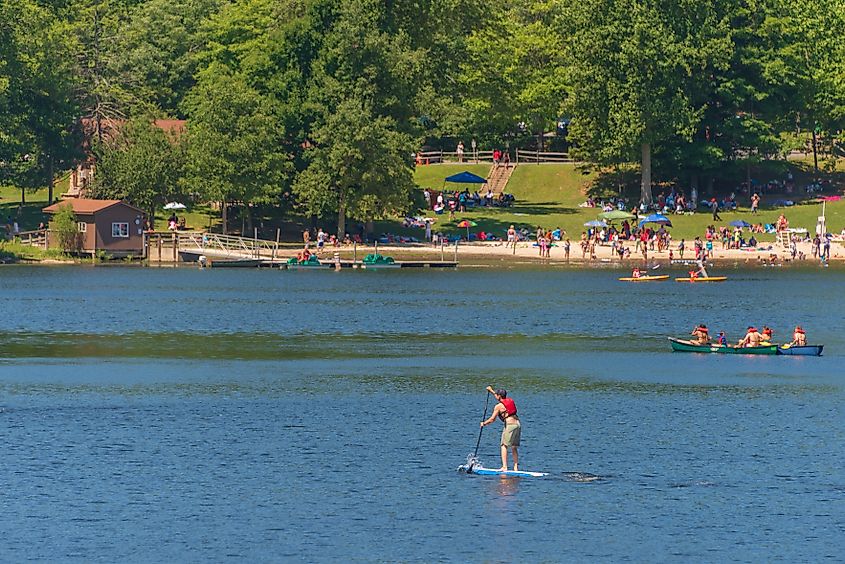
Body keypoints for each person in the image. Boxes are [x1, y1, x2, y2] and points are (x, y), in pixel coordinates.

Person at [480, 386, 520, 472]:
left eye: (497, 395)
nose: (495, 396)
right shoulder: (510, 401)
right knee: (514, 447)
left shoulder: (498, 406)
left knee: (504, 445)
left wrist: (484, 423)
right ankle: (516, 467)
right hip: (517, 424)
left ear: (499, 396)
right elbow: (497, 396)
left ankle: (504, 467)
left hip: (510, 425)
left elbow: (492, 419)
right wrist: (491, 390)